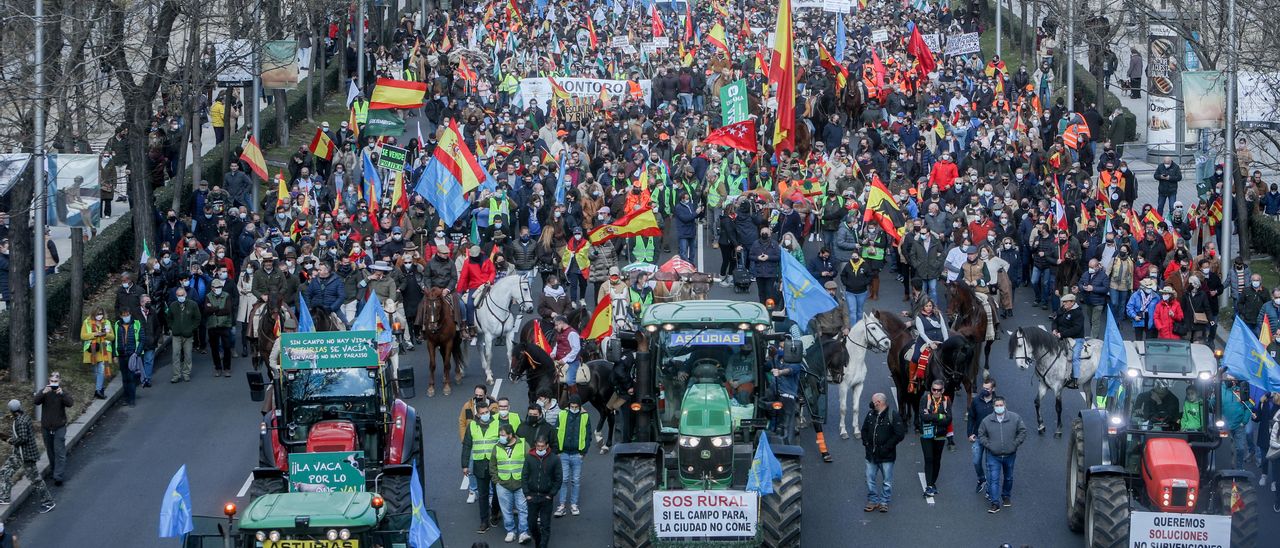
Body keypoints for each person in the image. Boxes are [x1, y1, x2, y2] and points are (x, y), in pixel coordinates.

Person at [0, 400, 55, 513]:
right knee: (4, 472)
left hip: (26, 456)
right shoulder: (23, 416)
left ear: (12, 410)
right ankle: (4, 497)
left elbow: (22, 439)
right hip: (18, 454)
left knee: (36, 480)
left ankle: (48, 502)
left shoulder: (20, 421)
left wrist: (8, 439)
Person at [977, 396, 1028, 512]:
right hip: (993, 456)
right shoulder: (987, 421)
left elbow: (1023, 431)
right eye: (997, 405)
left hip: (1010, 455)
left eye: (1001, 405)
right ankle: (995, 502)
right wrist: (989, 446)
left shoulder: (1015, 418)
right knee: (993, 479)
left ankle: (1006, 495)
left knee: (1008, 477)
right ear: (993, 407)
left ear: (1005, 406)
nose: (999, 407)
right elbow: (981, 434)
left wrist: (1015, 444)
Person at [861, 392, 906, 512]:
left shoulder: (893, 415)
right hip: (871, 454)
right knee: (869, 478)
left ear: (879, 402)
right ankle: (873, 500)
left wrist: (887, 447)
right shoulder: (870, 414)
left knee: (887, 481)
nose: (871, 403)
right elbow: (864, 429)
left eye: (873, 401)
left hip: (887, 456)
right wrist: (865, 442)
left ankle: (884, 501)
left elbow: (899, 434)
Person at [461, 401, 500, 533]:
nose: (485, 415)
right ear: (477, 414)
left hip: (495, 465)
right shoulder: (472, 426)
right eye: (482, 413)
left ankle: (495, 513)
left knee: (497, 493)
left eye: (487, 412)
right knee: (482, 495)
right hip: (479, 465)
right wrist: (465, 465)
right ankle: (484, 521)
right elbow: (467, 445)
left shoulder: (498, 422)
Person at [490, 424, 531, 544]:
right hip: (503, 484)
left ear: (510, 435)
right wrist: (496, 481)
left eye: (503, 435)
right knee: (506, 510)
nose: (500, 437)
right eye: (500, 435)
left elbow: (529, 463)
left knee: (523, 509)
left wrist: (527, 480)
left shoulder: (523, 444)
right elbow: (492, 465)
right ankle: (511, 531)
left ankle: (523, 532)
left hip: (521, 484)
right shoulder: (496, 447)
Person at [458, 385, 497, 504]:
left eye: (481, 395)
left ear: (486, 395)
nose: (478, 397)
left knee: (490, 471)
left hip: (488, 445)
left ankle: (490, 493)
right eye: (476, 395)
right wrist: (465, 438)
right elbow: (462, 422)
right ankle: (473, 491)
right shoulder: (468, 405)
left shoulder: (493, 406)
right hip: (473, 443)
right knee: (471, 469)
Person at [33, 372, 73, 486]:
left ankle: (58, 476)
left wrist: (62, 394)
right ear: (48, 381)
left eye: (56, 381)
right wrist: (42, 392)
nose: (53, 384)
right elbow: (36, 401)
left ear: (59, 381)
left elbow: (70, 403)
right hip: (46, 427)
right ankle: (54, 470)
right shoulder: (45, 392)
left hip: (59, 427)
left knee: (59, 451)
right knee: (50, 451)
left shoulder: (62, 392)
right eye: (52, 381)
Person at [522, 436, 561, 548]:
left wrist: (551, 494)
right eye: (538, 446)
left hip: (546, 497)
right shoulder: (529, 458)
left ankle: (542, 546)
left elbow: (558, 478)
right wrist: (527, 494)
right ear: (535, 445)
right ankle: (538, 541)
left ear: (547, 446)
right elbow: (524, 476)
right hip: (532, 497)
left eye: (542, 446)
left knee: (545, 525)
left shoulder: (554, 459)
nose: (540, 448)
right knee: (531, 524)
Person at [554, 394, 589, 517]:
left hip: (576, 454)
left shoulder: (585, 417)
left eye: (576, 407)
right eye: (572, 406)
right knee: (563, 480)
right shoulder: (562, 415)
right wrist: (557, 451)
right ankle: (562, 505)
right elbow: (556, 432)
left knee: (576, 480)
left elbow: (588, 436)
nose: (573, 408)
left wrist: (583, 452)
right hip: (563, 453)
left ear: (580, 407)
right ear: (569, 406)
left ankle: (574, 505)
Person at [919, 379, 952, 497]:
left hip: (940, 435)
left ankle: (932, 483)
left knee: (937, 460)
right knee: (929, 458)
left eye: (939, 390)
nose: (936, 392)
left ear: (943, 390)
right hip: (926, 434)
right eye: (934, 390)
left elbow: (948, 419)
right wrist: (939, 416)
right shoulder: (925, 399)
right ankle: (929, 485)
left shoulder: (946, 400)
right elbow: (923, 416)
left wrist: (932, 416)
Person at [458, 245, 496, 339]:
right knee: (470, 304)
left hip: (487, 285)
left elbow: (492, 271)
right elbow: (463, 277)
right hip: (474, 286)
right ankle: (471, 326)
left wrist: (490, 281)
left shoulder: (487, 260)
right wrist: (459, 291)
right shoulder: (467, 262)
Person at [968, 378, 997, 495]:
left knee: (990, 464)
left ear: (993, 389)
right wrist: (970, 433)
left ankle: (989, 490)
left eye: (987, 389)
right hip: (978, 436)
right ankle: (981, 478)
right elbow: (971, 417)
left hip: (992, 438)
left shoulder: (997, 402)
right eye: (983, 388)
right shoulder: (976, 401)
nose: (984, 390)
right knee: (976, 461)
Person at [168, 287, 202, 383]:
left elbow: (197, 319)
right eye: (178, 295)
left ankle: (186, 373)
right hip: (176, 335)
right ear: (176, 296)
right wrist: (172, 327)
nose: (180, 297)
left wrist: (191, 329)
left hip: (188, 335)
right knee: (175, 355)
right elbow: (169, 318)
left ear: (186, 294)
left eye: (182, 295)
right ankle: (176, 375)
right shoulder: (173, 305)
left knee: (188, 355)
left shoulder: (193, 305)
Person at [1052, 293, 1085, 389]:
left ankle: (1075, 380)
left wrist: (1062, 334)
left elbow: (1077, 329)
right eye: (1063, 302)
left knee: (1075, 357)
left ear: (1072, 302)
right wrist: (1054, 329)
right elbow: (1055, 321)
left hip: (1076, 338)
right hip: (1061, 336)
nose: (1064, 304)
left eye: (1066, 302)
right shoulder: (1062, 310)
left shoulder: (1078, 313)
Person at [80, 307, 114, 399]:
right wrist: (94, 334)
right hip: (93, 351)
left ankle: (98, 390)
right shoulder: (87, 322)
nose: (100, 316)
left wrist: (105, 334)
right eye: (98, 314)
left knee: (101, 370)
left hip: (104, 350)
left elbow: (112, 337)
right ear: (93, 314)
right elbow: (83, 336)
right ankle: (101, 388)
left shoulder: (107, 323)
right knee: (96, 371)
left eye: (101, 313)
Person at [113, 308, 144, 407]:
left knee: (131, 378)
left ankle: (132, 399)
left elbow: (142, 339)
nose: (126, 316)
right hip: (122, 354)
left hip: (132, 355)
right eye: (124, 314)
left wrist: (137, 353)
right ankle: (126, 398)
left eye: (127, 314)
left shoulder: (137, 324)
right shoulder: (117, 325)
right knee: (124, 378)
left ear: (130, 314)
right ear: (121, 316)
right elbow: (114, 341)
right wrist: (115, 355)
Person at [204, 278, 234, 376]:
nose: (218, 288)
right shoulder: (208, 296)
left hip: (225, 324)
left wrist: (214, 310)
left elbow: (227, 310)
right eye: (216, 287)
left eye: (220, 287)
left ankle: (227, 368)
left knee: (226, 347)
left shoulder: (227, 296)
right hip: (212, 325)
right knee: (214, 348)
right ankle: (217, 368)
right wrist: (218, 308)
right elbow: (206, 310)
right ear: (212, 288)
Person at [551, 315, 582, 394]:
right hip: (558, 360)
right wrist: (553, 353)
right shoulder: (560, 333)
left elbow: (576, 349)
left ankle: (574, 400)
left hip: (572, 362)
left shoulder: (572, 333)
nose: (555, 327)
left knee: (569, 380)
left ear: (561, 323)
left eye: (556, 325)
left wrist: (564, 360)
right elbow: (557, 345)